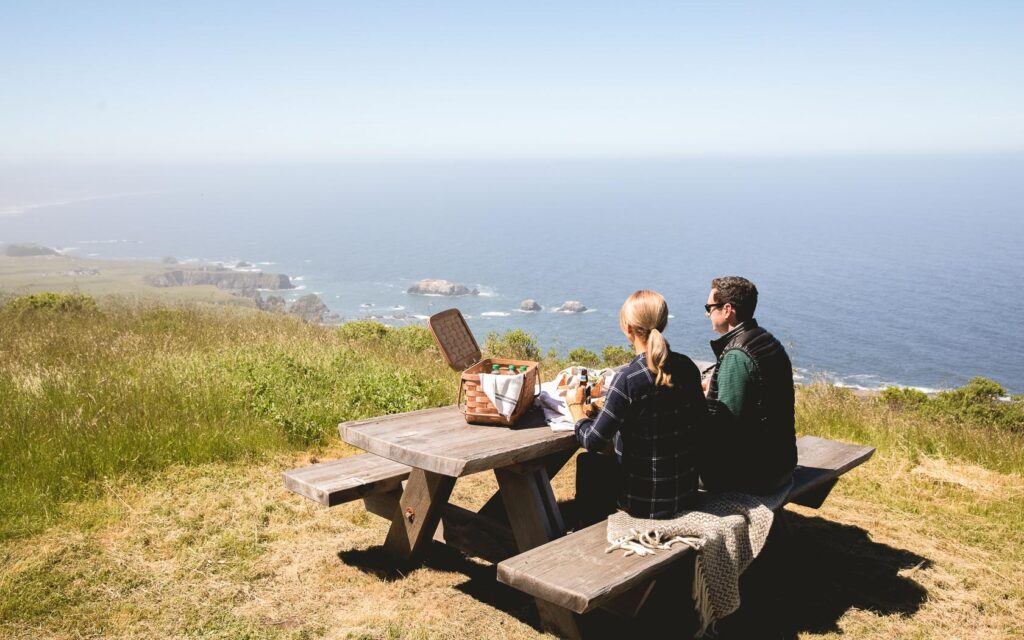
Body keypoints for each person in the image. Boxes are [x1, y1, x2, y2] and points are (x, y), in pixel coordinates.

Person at [569, 290, 708, 523]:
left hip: (643, 503)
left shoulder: (628, 379)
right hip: (684, 494)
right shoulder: (687, 367)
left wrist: (576, 408)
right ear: (662, 324)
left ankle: (585, 535)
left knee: (590, 463)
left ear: (628, 328)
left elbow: (593, 441)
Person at [701, 276, 797, 494]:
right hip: (781, 462)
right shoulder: (766, 340)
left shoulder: (737, 355)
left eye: (710, 307)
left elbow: (725, 428)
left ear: (727, 310)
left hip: (753, 476)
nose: (707, 313)